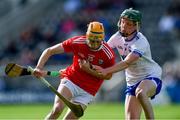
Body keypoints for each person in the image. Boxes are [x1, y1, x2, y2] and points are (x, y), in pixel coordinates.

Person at [33, 21, 115, 120]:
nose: (94, 44)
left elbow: (108, 76)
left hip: (89, 91)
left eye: (97, 41)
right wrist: (39, 67)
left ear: (102, 38)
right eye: (92, 41)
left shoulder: (108, 54)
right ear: (87, 36)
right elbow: (49, 51)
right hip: (71, 80)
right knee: (57, 110)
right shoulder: (77, 42)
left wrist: (88, 70)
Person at [93, 8, 162, 120]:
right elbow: (102, 54)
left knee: (141, 92)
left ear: (136, 26)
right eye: (123, 22)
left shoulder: (140, 42)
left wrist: (105, 70)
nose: (124, 26)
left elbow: (127, 63)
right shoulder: (116, 37)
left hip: (150, 76)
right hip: (132, 81)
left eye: (129, 24)